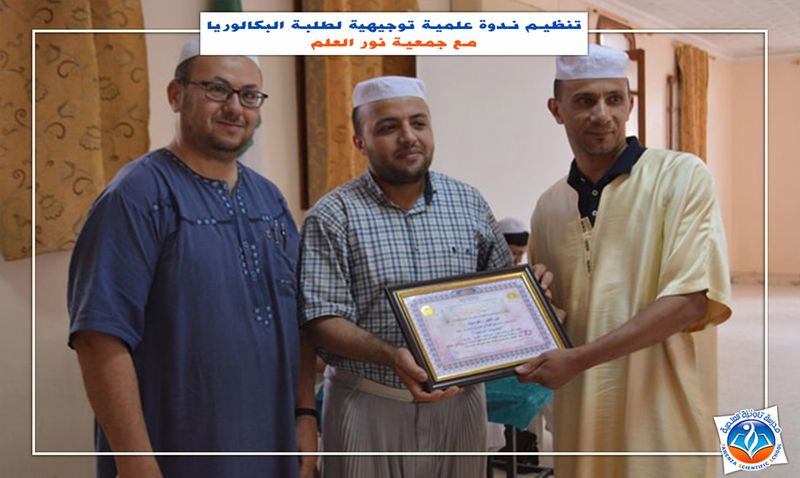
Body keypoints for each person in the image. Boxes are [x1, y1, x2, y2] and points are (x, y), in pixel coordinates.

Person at [67, 37, 317, 478]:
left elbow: (300, 321)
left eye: (249, 95)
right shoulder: (135, 197)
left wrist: (304, 414)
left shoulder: (270, 200)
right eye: (217, 89)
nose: (235, 107)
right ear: (176, 94)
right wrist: (136, 461)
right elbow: (99, 338)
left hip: (271, 445)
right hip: (177, 452)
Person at [299, 76, 550, 478]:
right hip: (368, 404)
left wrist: (534, 304)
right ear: (360, 141)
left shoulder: (468, 203)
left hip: (461, 406)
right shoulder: (332, 215)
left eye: (418, 123)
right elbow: (321, 319)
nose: (408, 137)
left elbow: (503, 294)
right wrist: (390, 355)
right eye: (388, 127)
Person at [516, 44, 733, 477]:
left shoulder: (681, 177)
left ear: (630, 104)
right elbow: (552, 317)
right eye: (585, 100)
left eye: (614, 99)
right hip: (581, 419)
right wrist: (537, 303)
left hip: (663, 415)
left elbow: (690, 302)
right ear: (556, 110)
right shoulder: (548, 207)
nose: (602, 114)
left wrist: (578, 360)